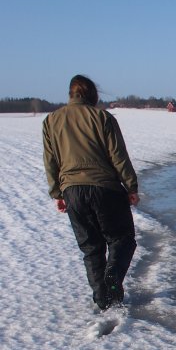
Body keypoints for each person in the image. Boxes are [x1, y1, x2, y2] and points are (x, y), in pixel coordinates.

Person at [43, 75, 140, 310]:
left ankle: (102, 299)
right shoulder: (102, 117)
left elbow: (50, 160)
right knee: (122, 239)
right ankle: (113, 277)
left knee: (91, 247)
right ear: (93, 95)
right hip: (105, 188)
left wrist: (57, 192)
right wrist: (131, 186)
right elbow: (118, 155)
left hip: (73, 191)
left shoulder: (51, 121)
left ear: (71, 94)